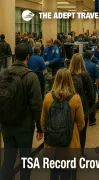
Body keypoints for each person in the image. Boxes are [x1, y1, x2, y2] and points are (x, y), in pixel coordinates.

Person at [0, 43, 43, 180]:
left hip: (6, 125)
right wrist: (40, 127)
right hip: (24, 127)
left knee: (8, 159)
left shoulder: (3, 73)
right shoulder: (31, 77)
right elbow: (36, 106)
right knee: (26, 161)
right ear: (28, 57)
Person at [41, 68, 85, 180]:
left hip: (52, 144)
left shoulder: (48, 97)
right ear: (70, 80)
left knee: (54, 173)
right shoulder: (75, 98)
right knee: (67, 174)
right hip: (69, 143)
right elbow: (81, 123)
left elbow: (43, 122)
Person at [69, 53, 95, 155]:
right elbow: (91, 93)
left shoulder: (68, 74)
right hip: (82, 106)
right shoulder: (85, 74)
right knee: (82, 131)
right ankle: (80, 153)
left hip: (69, 105)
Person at [84, 50, 99, 126]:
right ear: (91, 56)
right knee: (92, 103)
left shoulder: (81, 64)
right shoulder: (93, 65)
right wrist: (97, 87)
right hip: (91, 87)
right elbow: (97, 78)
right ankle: (92, 120)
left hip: (82, 87)